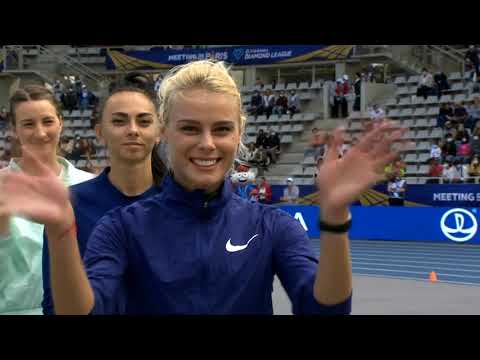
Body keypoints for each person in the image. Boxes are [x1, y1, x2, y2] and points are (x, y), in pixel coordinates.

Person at [0, 60, 405, 315]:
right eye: (190, 128)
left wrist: (335, 220)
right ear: (165, 133)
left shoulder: (271, 226)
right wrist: (62, 232)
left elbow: (324, 309)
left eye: (222, 129)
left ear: (240, 133)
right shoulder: (121, 227)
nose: (207, 144)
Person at [42, 75, 166, 314]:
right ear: (100, 132)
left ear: (159, 131)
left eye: (143, 121)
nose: (132, 130)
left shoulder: (180, 201)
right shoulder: (68, 205)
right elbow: (54, 303)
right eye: (119, 121)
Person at [0, 85, 95, 315]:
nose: (40, 133)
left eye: (48, 121)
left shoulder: (91, 186)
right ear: (14, 128)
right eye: (28, 124)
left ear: (61, 122)